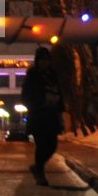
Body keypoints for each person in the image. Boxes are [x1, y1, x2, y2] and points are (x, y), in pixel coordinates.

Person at [20, 46, 65, 185]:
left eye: (47, 60)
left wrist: (60, 107)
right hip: (39, 115)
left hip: (52, 114)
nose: (45, 63)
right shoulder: (33, 75)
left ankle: (37, 167)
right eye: (42, 60)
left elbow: (58, 91)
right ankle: (40, 174)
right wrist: (35, 105)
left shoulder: (53, 75)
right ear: (38, 61)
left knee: (52, 145)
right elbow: (25, 95)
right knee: (41, 144)